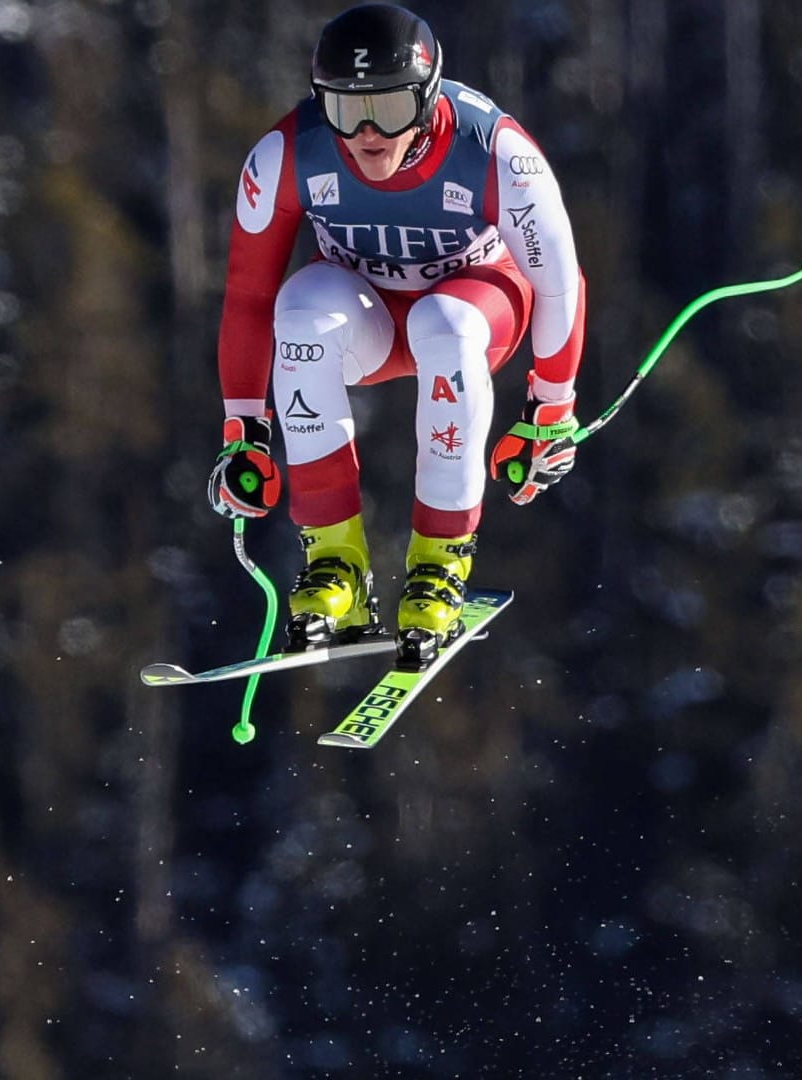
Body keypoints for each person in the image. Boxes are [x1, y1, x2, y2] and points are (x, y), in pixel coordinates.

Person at [208, 3, 586, 665]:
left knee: (446, 324)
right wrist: (245, 431)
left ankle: (440, 564)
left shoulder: (494, 151)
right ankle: (336, 568)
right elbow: (248, 297)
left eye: (388, 107)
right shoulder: (287, 154)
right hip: (370, 318)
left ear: (429, 95)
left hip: (475, 306)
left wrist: (550, 410)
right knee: (298, 311)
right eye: (345, 109)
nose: (366, 133)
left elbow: (558, 282)